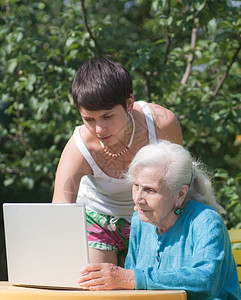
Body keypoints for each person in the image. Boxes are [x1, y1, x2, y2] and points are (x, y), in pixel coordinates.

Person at [52, 57, 183, 264]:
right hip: (96, 219)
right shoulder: (78, 148)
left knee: (151, 286)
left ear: (129, 104)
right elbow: (59, 212)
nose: (98, 130)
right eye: (89, 119)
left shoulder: (162, 124)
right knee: (98, 286)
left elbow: (181, 184)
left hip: (152, 218)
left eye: (107, 116)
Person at [77, 140, 241, 300]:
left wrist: (135, 279)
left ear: (180, 194)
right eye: (136, 186)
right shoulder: (140, 221)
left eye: (150, 190)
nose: (138, 198)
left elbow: (205, 281)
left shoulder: (205, 220)